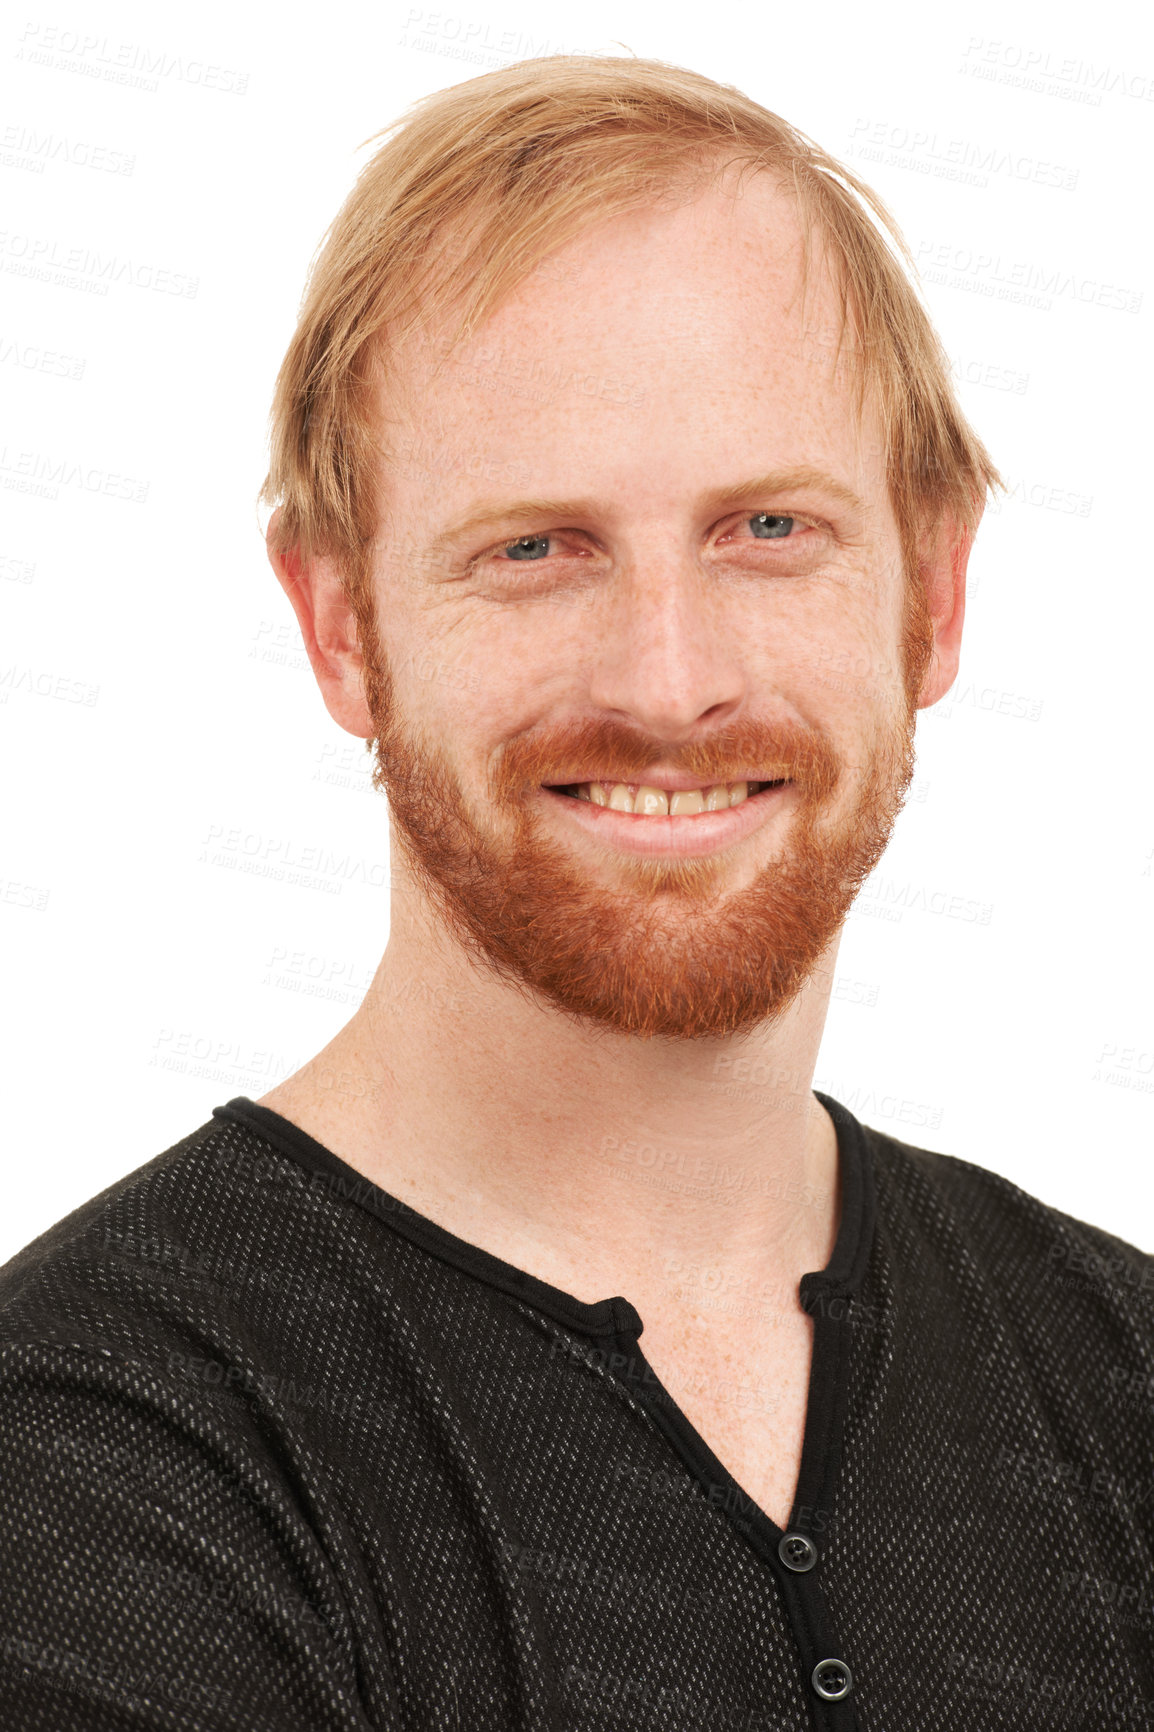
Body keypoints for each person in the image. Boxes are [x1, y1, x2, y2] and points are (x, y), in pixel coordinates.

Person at [2, 53, 1151, 1732]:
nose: (668, 683)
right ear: (341, 628)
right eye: (536, 548)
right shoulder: (100, 1449)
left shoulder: (1116, 1385)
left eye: (766, 526)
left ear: (933, 591)